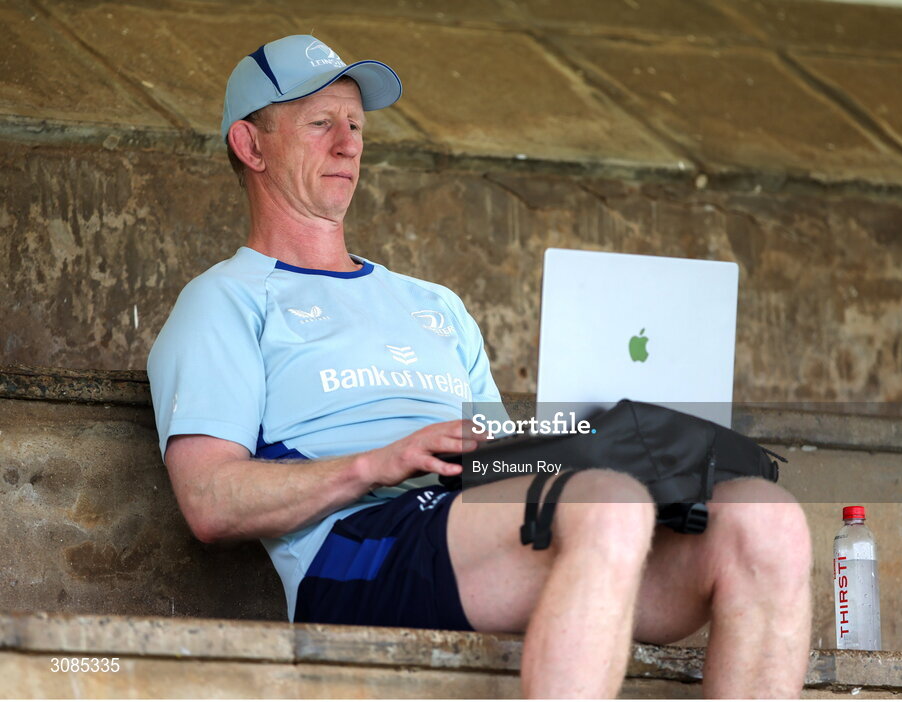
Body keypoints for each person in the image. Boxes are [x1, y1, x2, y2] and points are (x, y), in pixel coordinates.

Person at [148, 34, 812, 698]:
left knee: (765, 521)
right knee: (607, 508)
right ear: (251, 144)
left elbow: (493, 464)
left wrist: (593, 437)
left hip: (477, 528)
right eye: (321, 123)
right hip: (356, 552)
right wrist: (377, 463)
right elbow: (209, 502)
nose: (348, 144)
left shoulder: (433, 303)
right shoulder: (225, 301)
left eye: (355, 125)